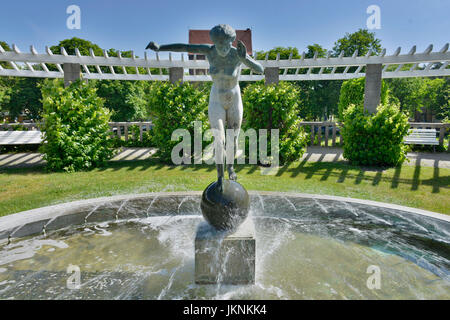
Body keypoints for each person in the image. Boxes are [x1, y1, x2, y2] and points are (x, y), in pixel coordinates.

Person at [146, 24, 264, 191]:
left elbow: (260, 70)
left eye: (225, 44)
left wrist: (245, 59)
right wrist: (160, 48)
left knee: (233, 139)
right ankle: (219, 175)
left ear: (231, 41)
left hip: (234, 98)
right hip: (216, 98)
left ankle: (230, 167)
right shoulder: (209, 51)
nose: (222, 48)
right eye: (218, 44)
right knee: (219, 138)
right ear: (213, 42)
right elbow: (184, 47)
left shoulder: (237, 54)